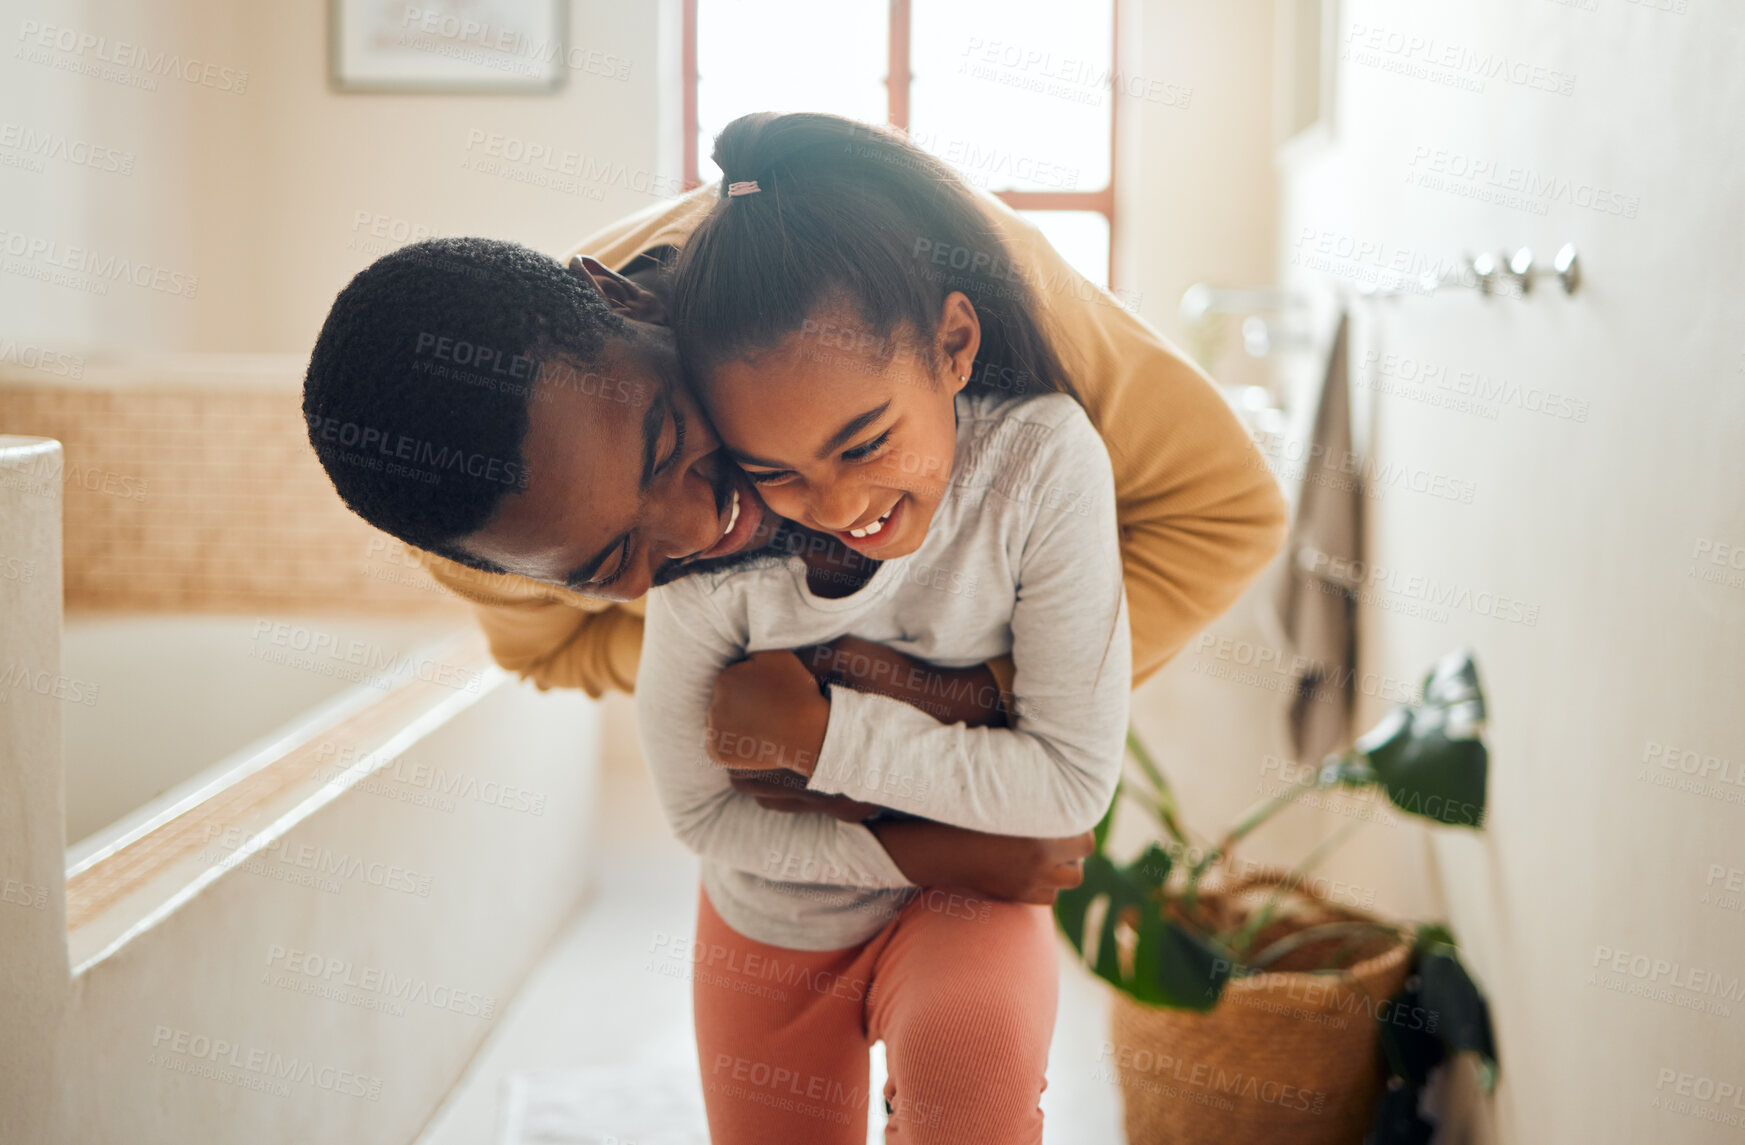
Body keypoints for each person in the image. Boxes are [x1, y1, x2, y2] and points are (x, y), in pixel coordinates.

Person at [301, 126, 1286, 895]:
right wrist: (727, 679)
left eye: (660, 443)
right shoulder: (481, 530)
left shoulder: (944, 268)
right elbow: (548, 651)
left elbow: (1227, 511)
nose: (696, 535)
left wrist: (930, 691)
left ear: (629, 304)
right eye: (612, 563)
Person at [633, 112, 1133, 1143]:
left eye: (865, 440)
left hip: (967, 913)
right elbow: (701, 815)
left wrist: (817, 739)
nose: (833, 499)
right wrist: (938, 853)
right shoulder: (716, 530)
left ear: (953, 345)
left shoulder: (1038, 466)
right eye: (776, 469)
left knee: (971, 1077)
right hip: (772, 915)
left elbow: (1070, 782)